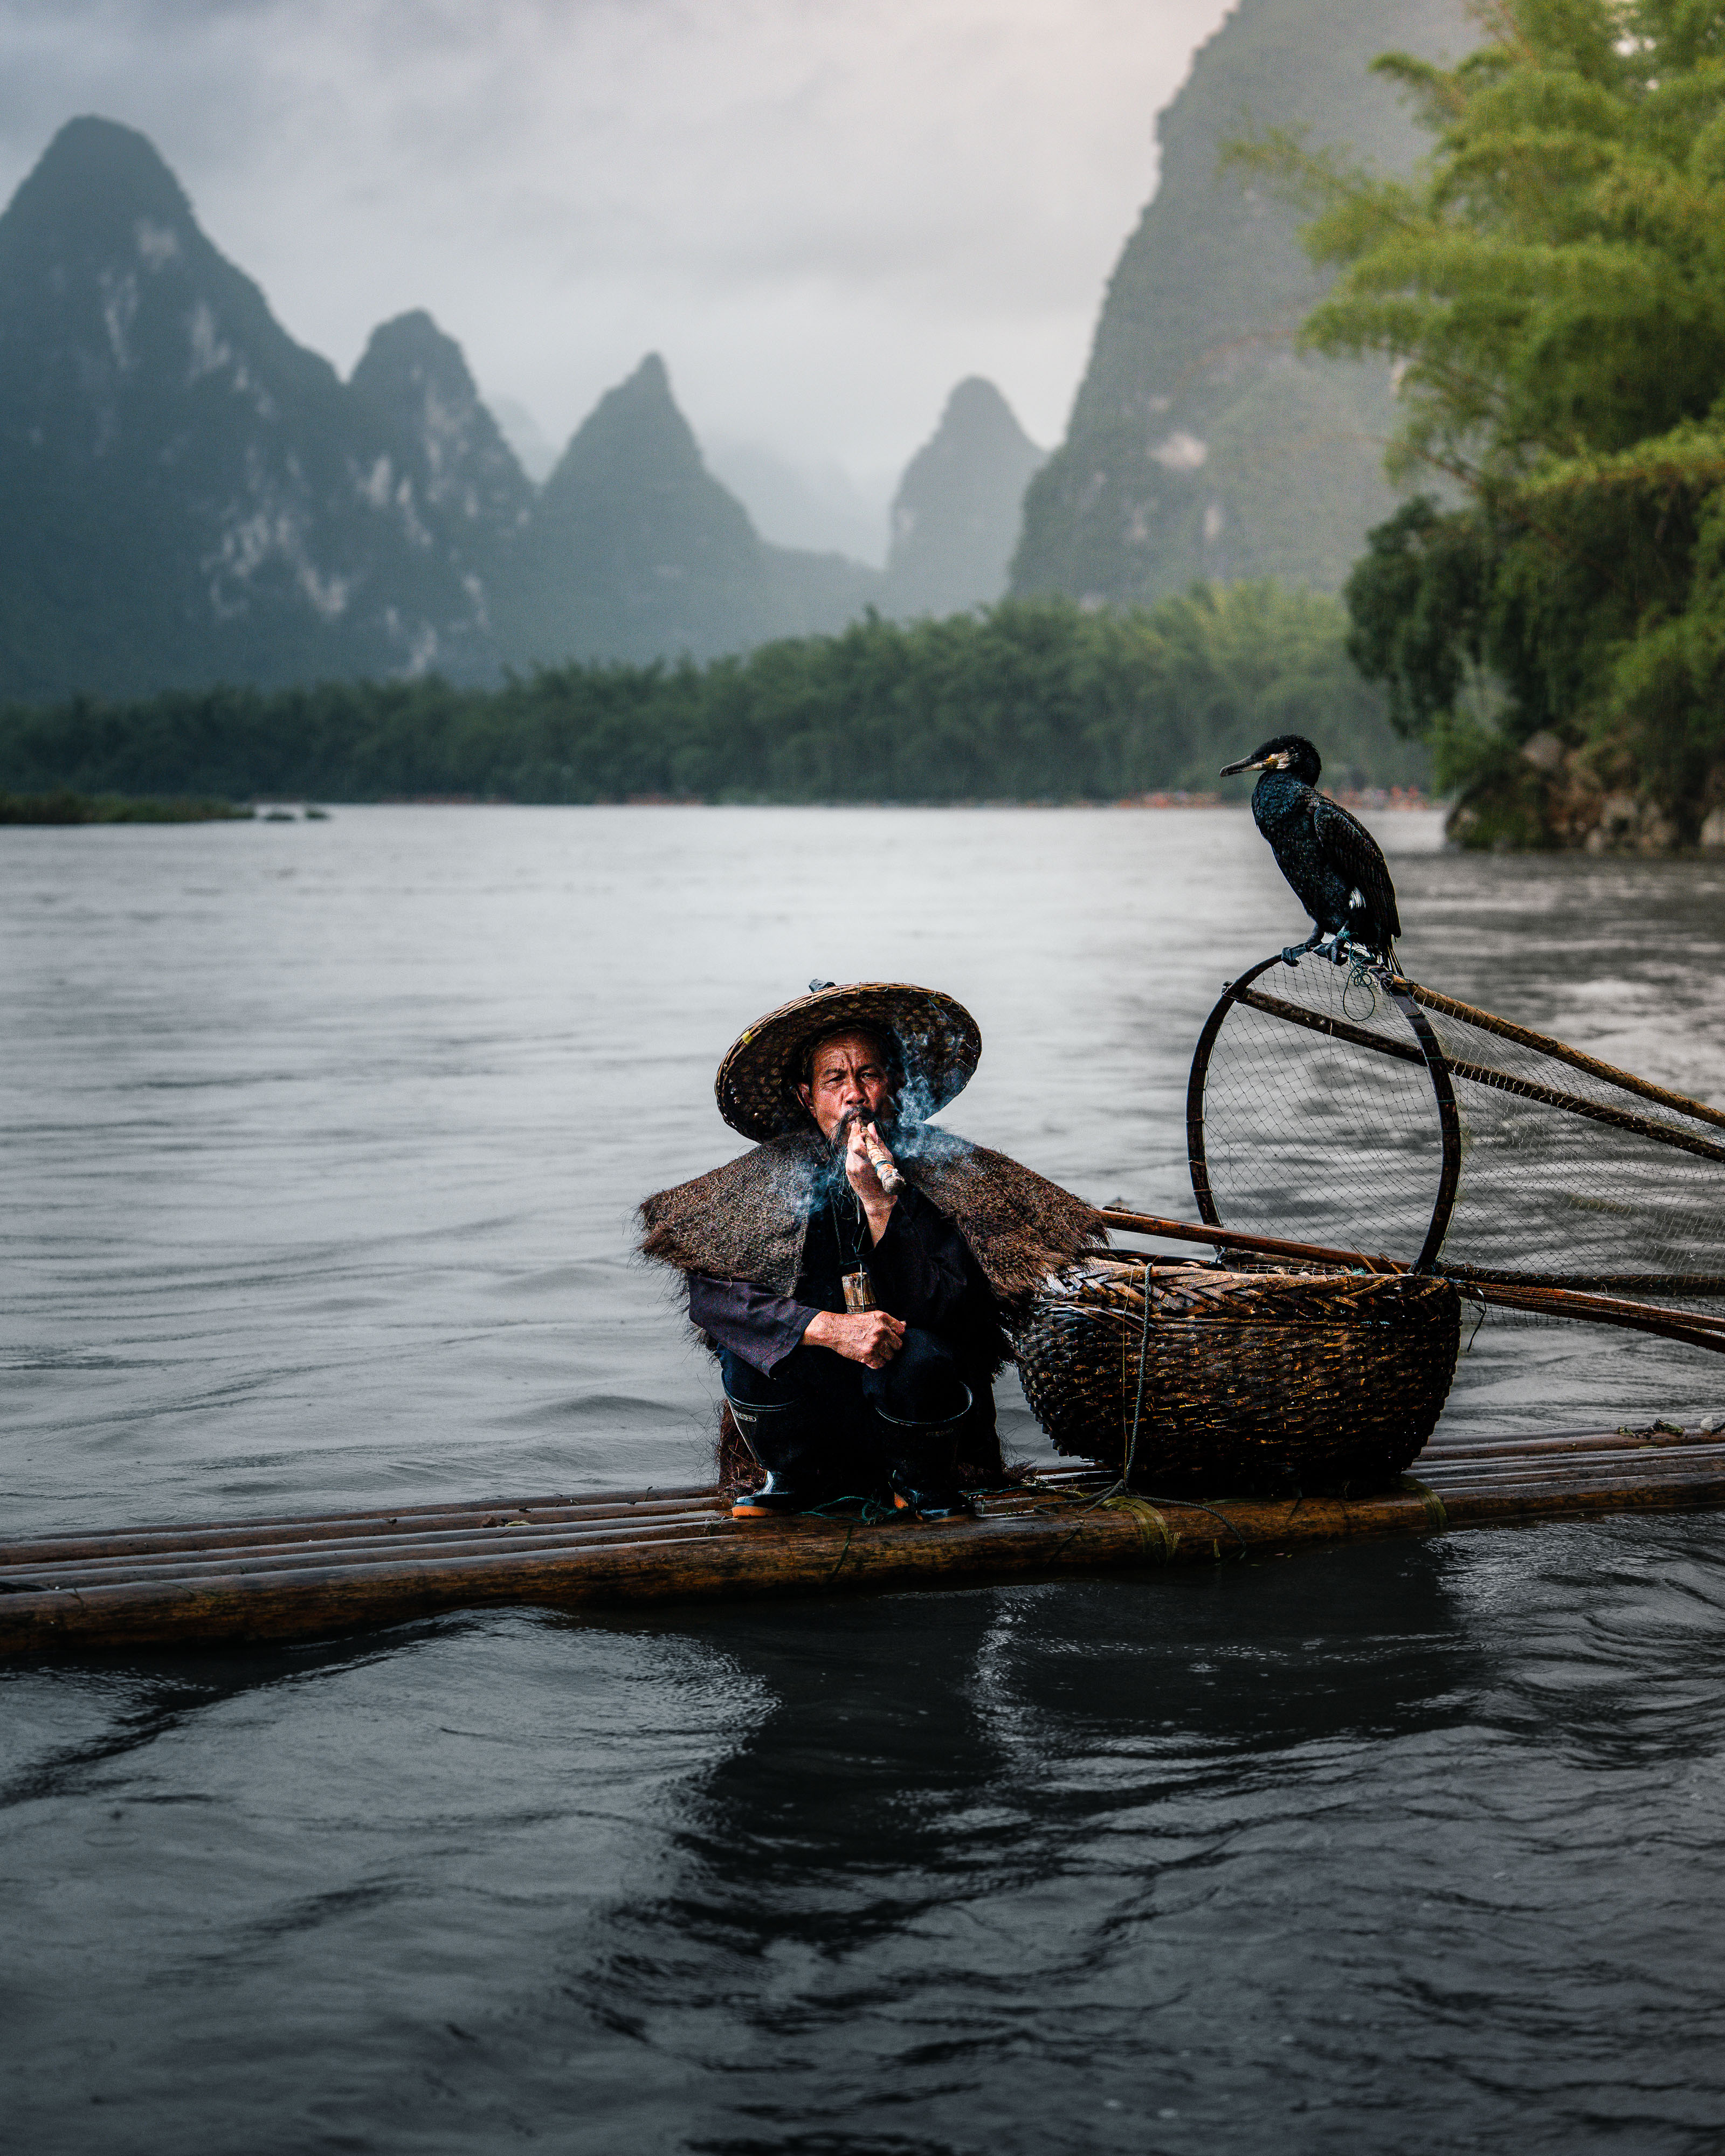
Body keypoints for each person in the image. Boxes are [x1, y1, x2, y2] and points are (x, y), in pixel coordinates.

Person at [639, 981, 1100, 1521]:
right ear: (805, 1097)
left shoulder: (950, 1172)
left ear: (894, 1086)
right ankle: (790, 1480)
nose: (853, 1095)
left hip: (916, 1413)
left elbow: (958, 1309)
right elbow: (715, 1302)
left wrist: (879, 1203)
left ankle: (922, 1485)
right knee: (748, 1351)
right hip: (810, 1417)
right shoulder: (757, 1185)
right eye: (833, 1079)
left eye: (869, 1075)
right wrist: (831, 1330)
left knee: (922, 1355)